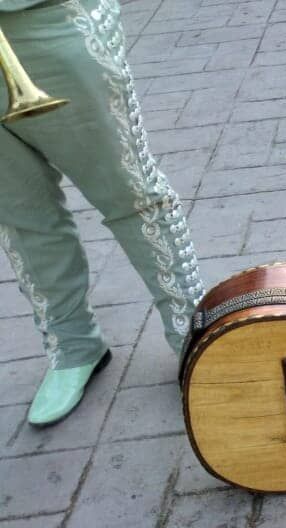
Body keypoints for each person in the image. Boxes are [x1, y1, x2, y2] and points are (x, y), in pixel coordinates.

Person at [1, 0, 203, 426]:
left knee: (130, 193)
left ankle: (193, 335)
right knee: (21, 217)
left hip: (49, 21)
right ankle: (73, 345)